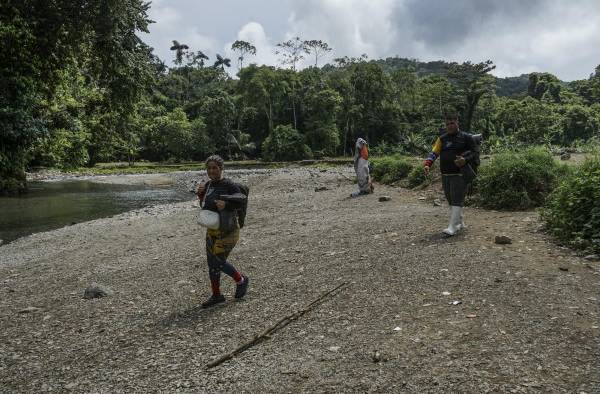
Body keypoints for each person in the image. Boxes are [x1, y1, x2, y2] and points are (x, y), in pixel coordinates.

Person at [196, 155, 249, 308]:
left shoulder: (229, 184)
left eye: (215, 168)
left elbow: (240, 199)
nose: (212, 171)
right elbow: (205, 206)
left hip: (228, 230)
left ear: (221, 169)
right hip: (212, 230)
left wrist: (225, 204)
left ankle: (241, 280)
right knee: (211, 264)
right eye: (209, 168)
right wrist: (201, 195)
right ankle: (217, 295)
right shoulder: (208, 185)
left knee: (218, 262)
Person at [423, 113, 480, 236]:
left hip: (460, 174)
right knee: (450, 199)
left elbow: (475, 152)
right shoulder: (442, 139)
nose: (450, 126)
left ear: (457, 122)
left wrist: (465, 160)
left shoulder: (466, 137)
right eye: (448, 124)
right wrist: (428, 164)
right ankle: (460, 222)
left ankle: (453, 226)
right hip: (446, 174)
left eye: (452, 123)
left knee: (456, 199)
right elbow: (434, 153)